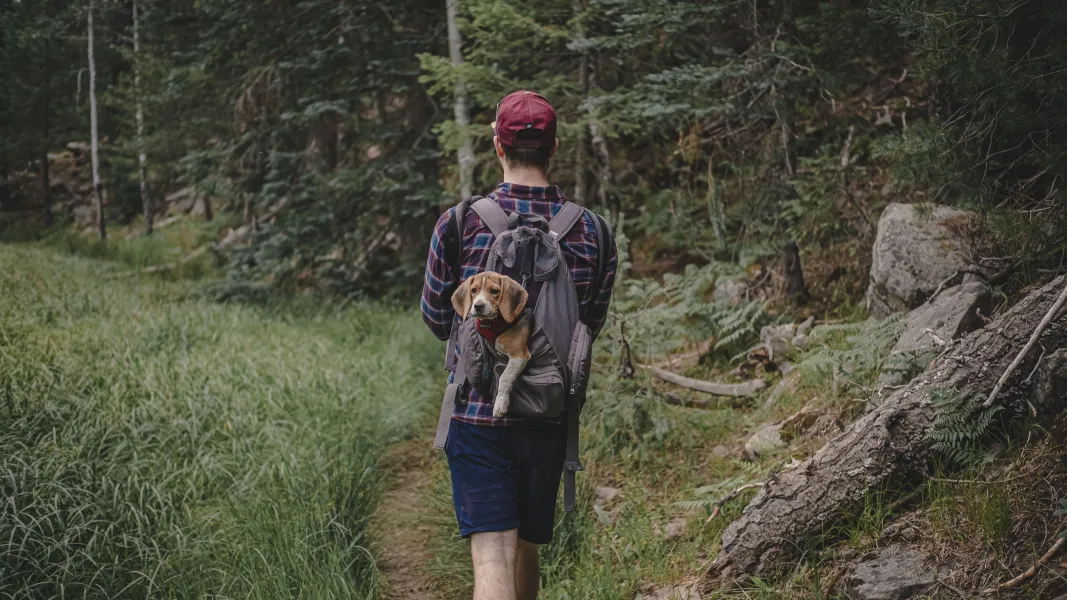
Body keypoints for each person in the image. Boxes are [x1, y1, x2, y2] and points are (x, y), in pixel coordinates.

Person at [421, 90, 617, 600]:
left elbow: (438, 319)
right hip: (550, 415)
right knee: (527, 548)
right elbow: (587, 325)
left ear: (497, 145)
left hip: (477, 415)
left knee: (492, 553)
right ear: (554, 147)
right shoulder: (594, 231)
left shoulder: (459, 222)